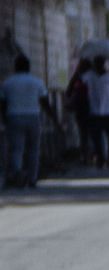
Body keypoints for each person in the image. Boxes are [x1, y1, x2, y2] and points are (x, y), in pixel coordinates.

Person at [2, 54, 52, 187]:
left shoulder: (7, 83)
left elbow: (3, 103)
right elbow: (44, 101)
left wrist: (4, 119)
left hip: (14, 116)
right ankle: (32, 178)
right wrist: (53, 118)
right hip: (33, 116)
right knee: (34, 149)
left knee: (16, 149)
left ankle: (17, 174)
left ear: (15, 67)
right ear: (29, 67)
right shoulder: (37, 82)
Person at [81, 55, 109, 167]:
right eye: (97, 64)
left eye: (101, 64)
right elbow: (80, 81)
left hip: (108, 110)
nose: (99, 66)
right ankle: (100, 158)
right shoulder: (89, 76)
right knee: (96, 137)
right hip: (94, 111)